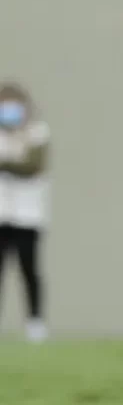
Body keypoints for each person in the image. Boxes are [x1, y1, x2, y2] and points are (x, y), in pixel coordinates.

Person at [0, 83, 50, 343]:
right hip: (2, 214)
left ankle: (35, 322)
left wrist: (7, 162)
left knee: (29, 270)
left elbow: (33, 165)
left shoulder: (36, 133)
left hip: (28, 216)